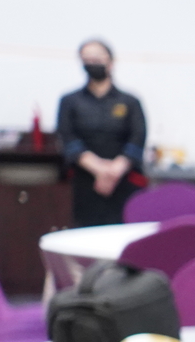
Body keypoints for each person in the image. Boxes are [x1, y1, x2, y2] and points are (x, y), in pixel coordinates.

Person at [56, 39, 146, 226]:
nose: (92, 63)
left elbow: (138, 138)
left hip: (124, 180)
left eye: (97, 58)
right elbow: (67, 137)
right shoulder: (70, 101)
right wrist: (99, 169)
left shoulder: (130, 101)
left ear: (110, 61)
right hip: (84, 182)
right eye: (87, 59)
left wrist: (114, 171)